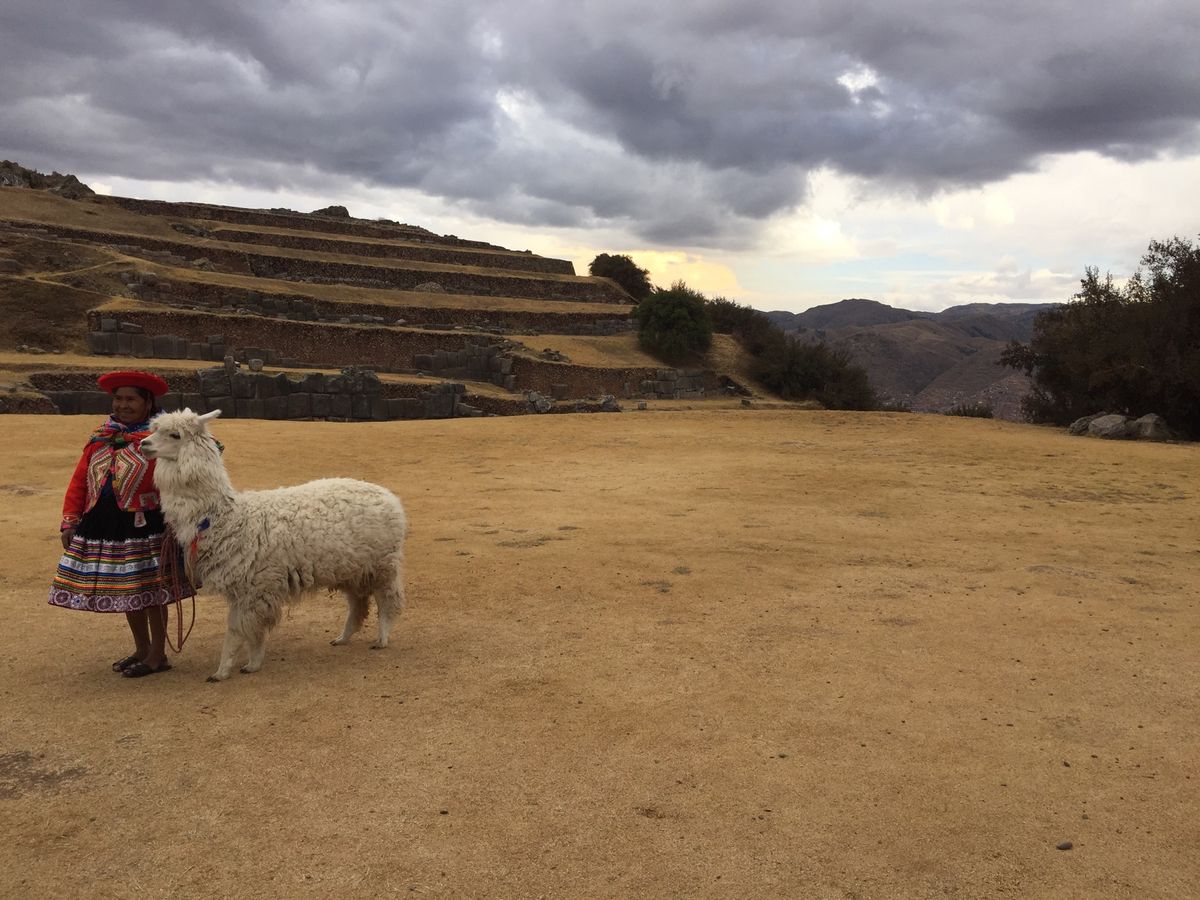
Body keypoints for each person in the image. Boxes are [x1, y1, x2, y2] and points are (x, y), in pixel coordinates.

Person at [48, 370, 186, 678]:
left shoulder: (163, 438)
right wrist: (69, 519)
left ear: (147, 402)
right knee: (128, 590)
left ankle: (158, 654)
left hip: (147, 524)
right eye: (118, 398)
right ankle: (141, 648)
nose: (123, 405)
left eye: (130, 399)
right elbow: (79, 481)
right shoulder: (102, 437)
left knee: (152, 592)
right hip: (105, 524)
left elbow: (196, 464)